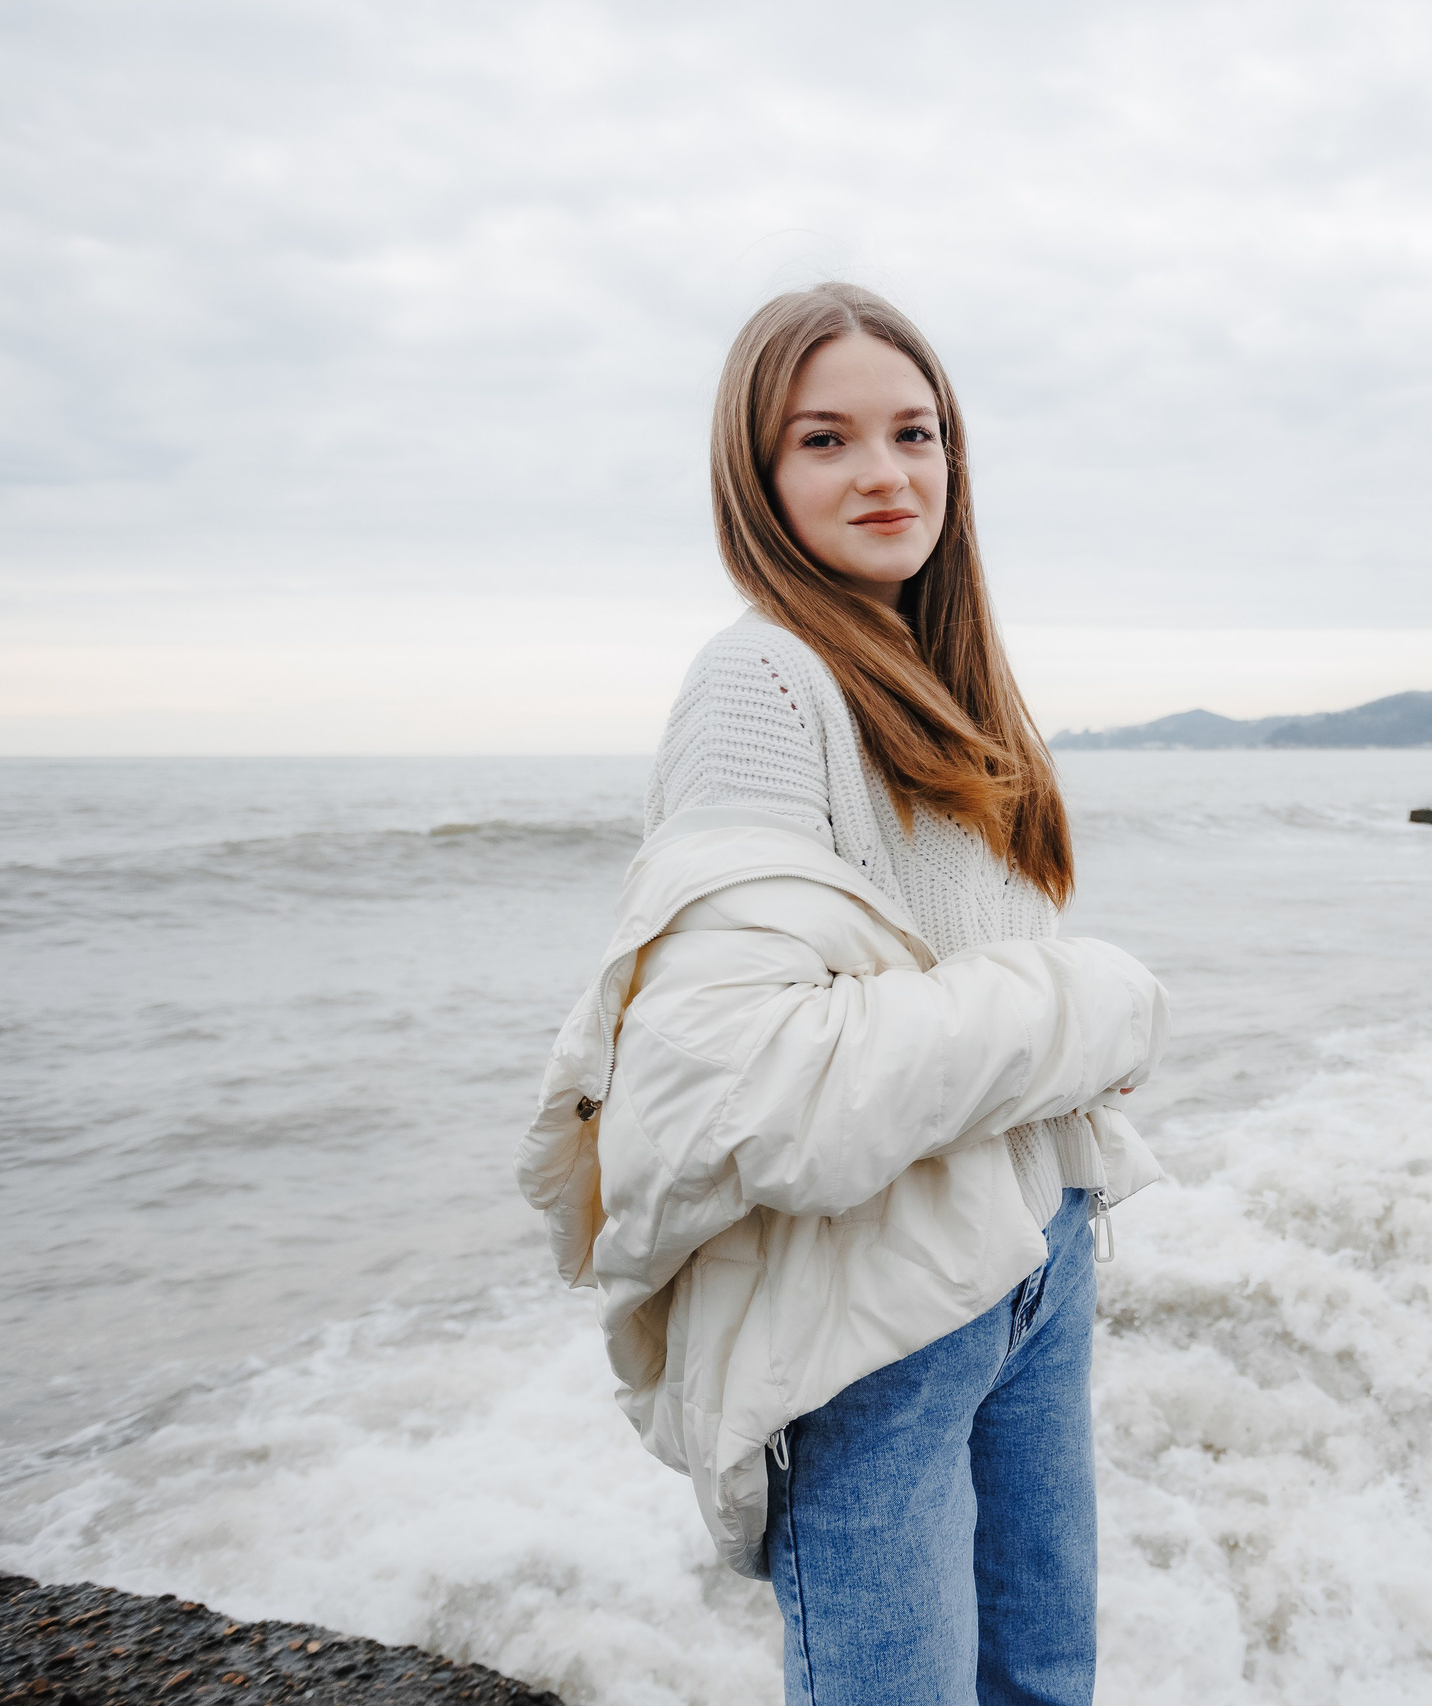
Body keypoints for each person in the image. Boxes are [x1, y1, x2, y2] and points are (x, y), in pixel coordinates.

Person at [517, 283, 1170, 1706]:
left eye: (915, 431)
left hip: (1036, 1254)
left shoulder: (949, 683)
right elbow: (740, 1078)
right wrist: (1097, 1005)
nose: (887, 472)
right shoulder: (763, 677)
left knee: (1047, 1684)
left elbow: (959, 995)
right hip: (883, 1307)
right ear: (756, 478)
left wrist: (1061, 1044)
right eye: (826, 439)